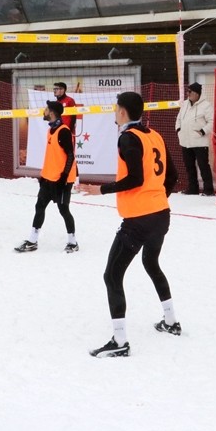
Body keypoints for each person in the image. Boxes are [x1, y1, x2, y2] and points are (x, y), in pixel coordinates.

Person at [76, 91, 180, 358]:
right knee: (151, 263)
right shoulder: (154, 135)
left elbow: (135, 178)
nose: (114, 112)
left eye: (115, 108)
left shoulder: (128, 139)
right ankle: (170, 321)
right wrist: (157, 199)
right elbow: (174, 175)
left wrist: (102, 190)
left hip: (140, 219)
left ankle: (120, 341)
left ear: (122, 112)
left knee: (112, 275)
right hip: (160, 214)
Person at [15, 100, 78, 253]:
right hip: (49, 178)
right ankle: (32, 241)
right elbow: (54, 157)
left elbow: (70, 156)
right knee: (39, 207)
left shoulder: (63, 131)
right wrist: (44, 175)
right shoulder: (51, 131)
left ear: (52, 112)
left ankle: (73, 242)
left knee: (64, 210)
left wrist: (63, 178)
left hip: (62, 180)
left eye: (46, 109)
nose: (44, 111)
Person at [175, 82, 214, 196]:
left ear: (197, 94)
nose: (188, 93)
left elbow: (212, 121)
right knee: (189, 167)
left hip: (199, 141)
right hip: (185, 141)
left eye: (190, 91)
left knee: (203, 166)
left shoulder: (206, 105)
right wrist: (178, 130)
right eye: (187, 91)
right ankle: (193, 189)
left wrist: (202, 131)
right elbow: (178, 119)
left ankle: (208, 190)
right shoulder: (185, 104)